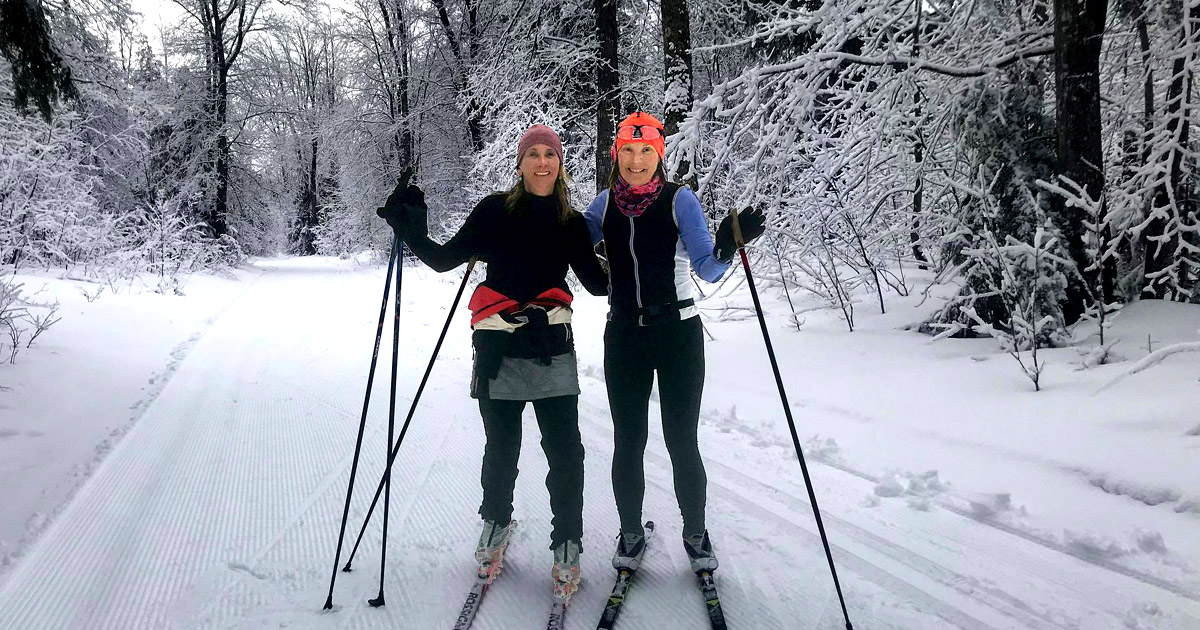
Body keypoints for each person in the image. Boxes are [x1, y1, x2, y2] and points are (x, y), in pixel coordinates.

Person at [377, 124, 607, 601]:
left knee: (566, 451)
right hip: (498, 346)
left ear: (560, 163)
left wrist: (628, 244)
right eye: (534, 154)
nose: (543, 162)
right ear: (520, 163)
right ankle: (496, 525)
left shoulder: (572, 223)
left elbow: (599, 284)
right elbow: (444, 260)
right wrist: (412, 227)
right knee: (501, 446)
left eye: (551, 154)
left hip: (551, 346)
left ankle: (568, 541)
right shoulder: (493, 210)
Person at [583, 112, 766, 576]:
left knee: (682, 439)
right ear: (616, 154)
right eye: (628, 149)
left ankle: (696, 534)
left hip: (678, 334)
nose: (637, 159)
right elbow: (559, 244)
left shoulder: (680, 200)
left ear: (659, 153)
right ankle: (630, 534)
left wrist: (727, 245)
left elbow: (706, 267)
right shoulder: (602, 206)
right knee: (629, 440)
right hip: (624, 335)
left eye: (646, 150)